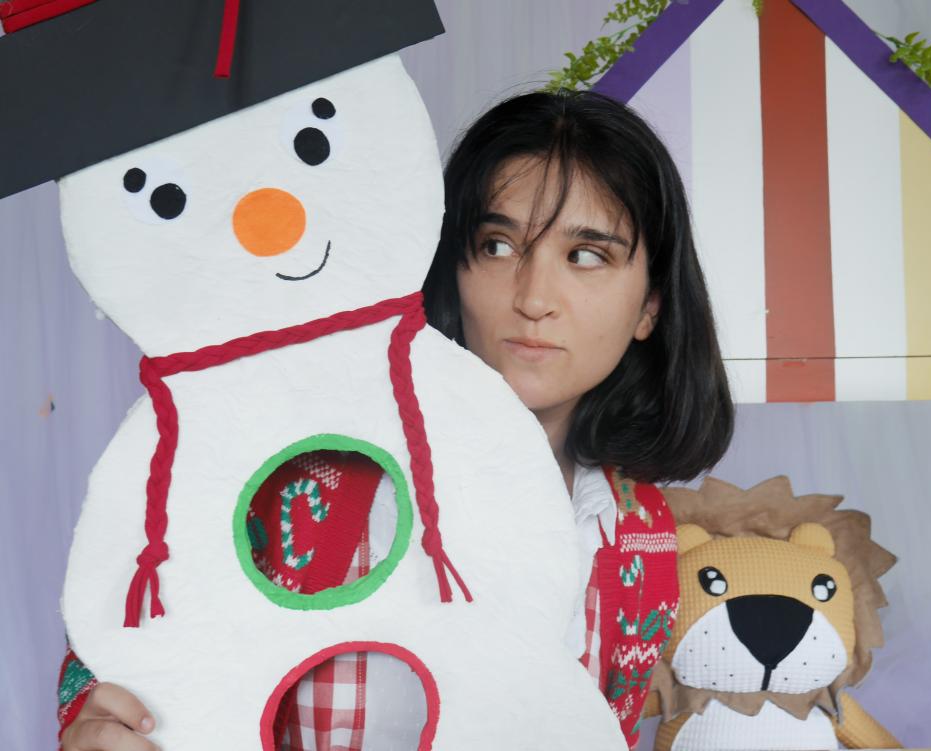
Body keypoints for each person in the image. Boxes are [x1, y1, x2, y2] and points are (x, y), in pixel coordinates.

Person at [57, 88, 733, 751]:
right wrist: (94, 727)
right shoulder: (298, 471)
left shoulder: (639, 530)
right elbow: (119, 677)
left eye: (586, 256)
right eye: (497, 245)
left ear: (650, 305)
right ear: (447, 261)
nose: (533, 298)